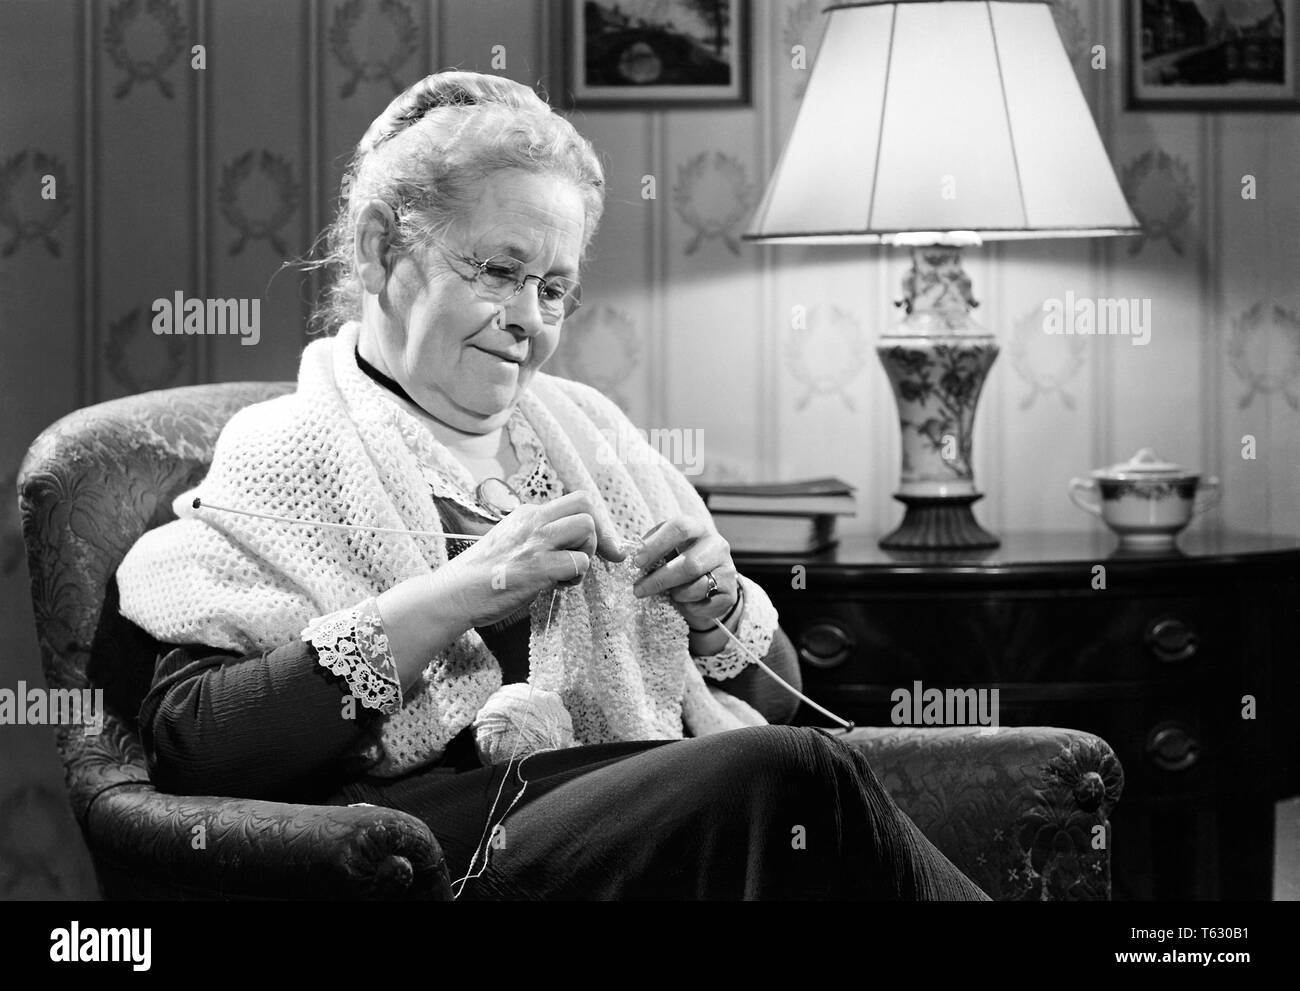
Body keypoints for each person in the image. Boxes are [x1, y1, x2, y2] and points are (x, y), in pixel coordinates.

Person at [113, 70, 989, 901]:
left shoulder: (593, 432)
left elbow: (770, 692)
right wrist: (469, 584)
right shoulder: (289, 447)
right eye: (498, 271)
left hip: (638, 813)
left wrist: (714, 609)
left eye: (556, 288)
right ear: (384, 252)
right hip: (430, 845)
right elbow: (196, 745)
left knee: (795, 776)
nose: (529, 320)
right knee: (793, 774)